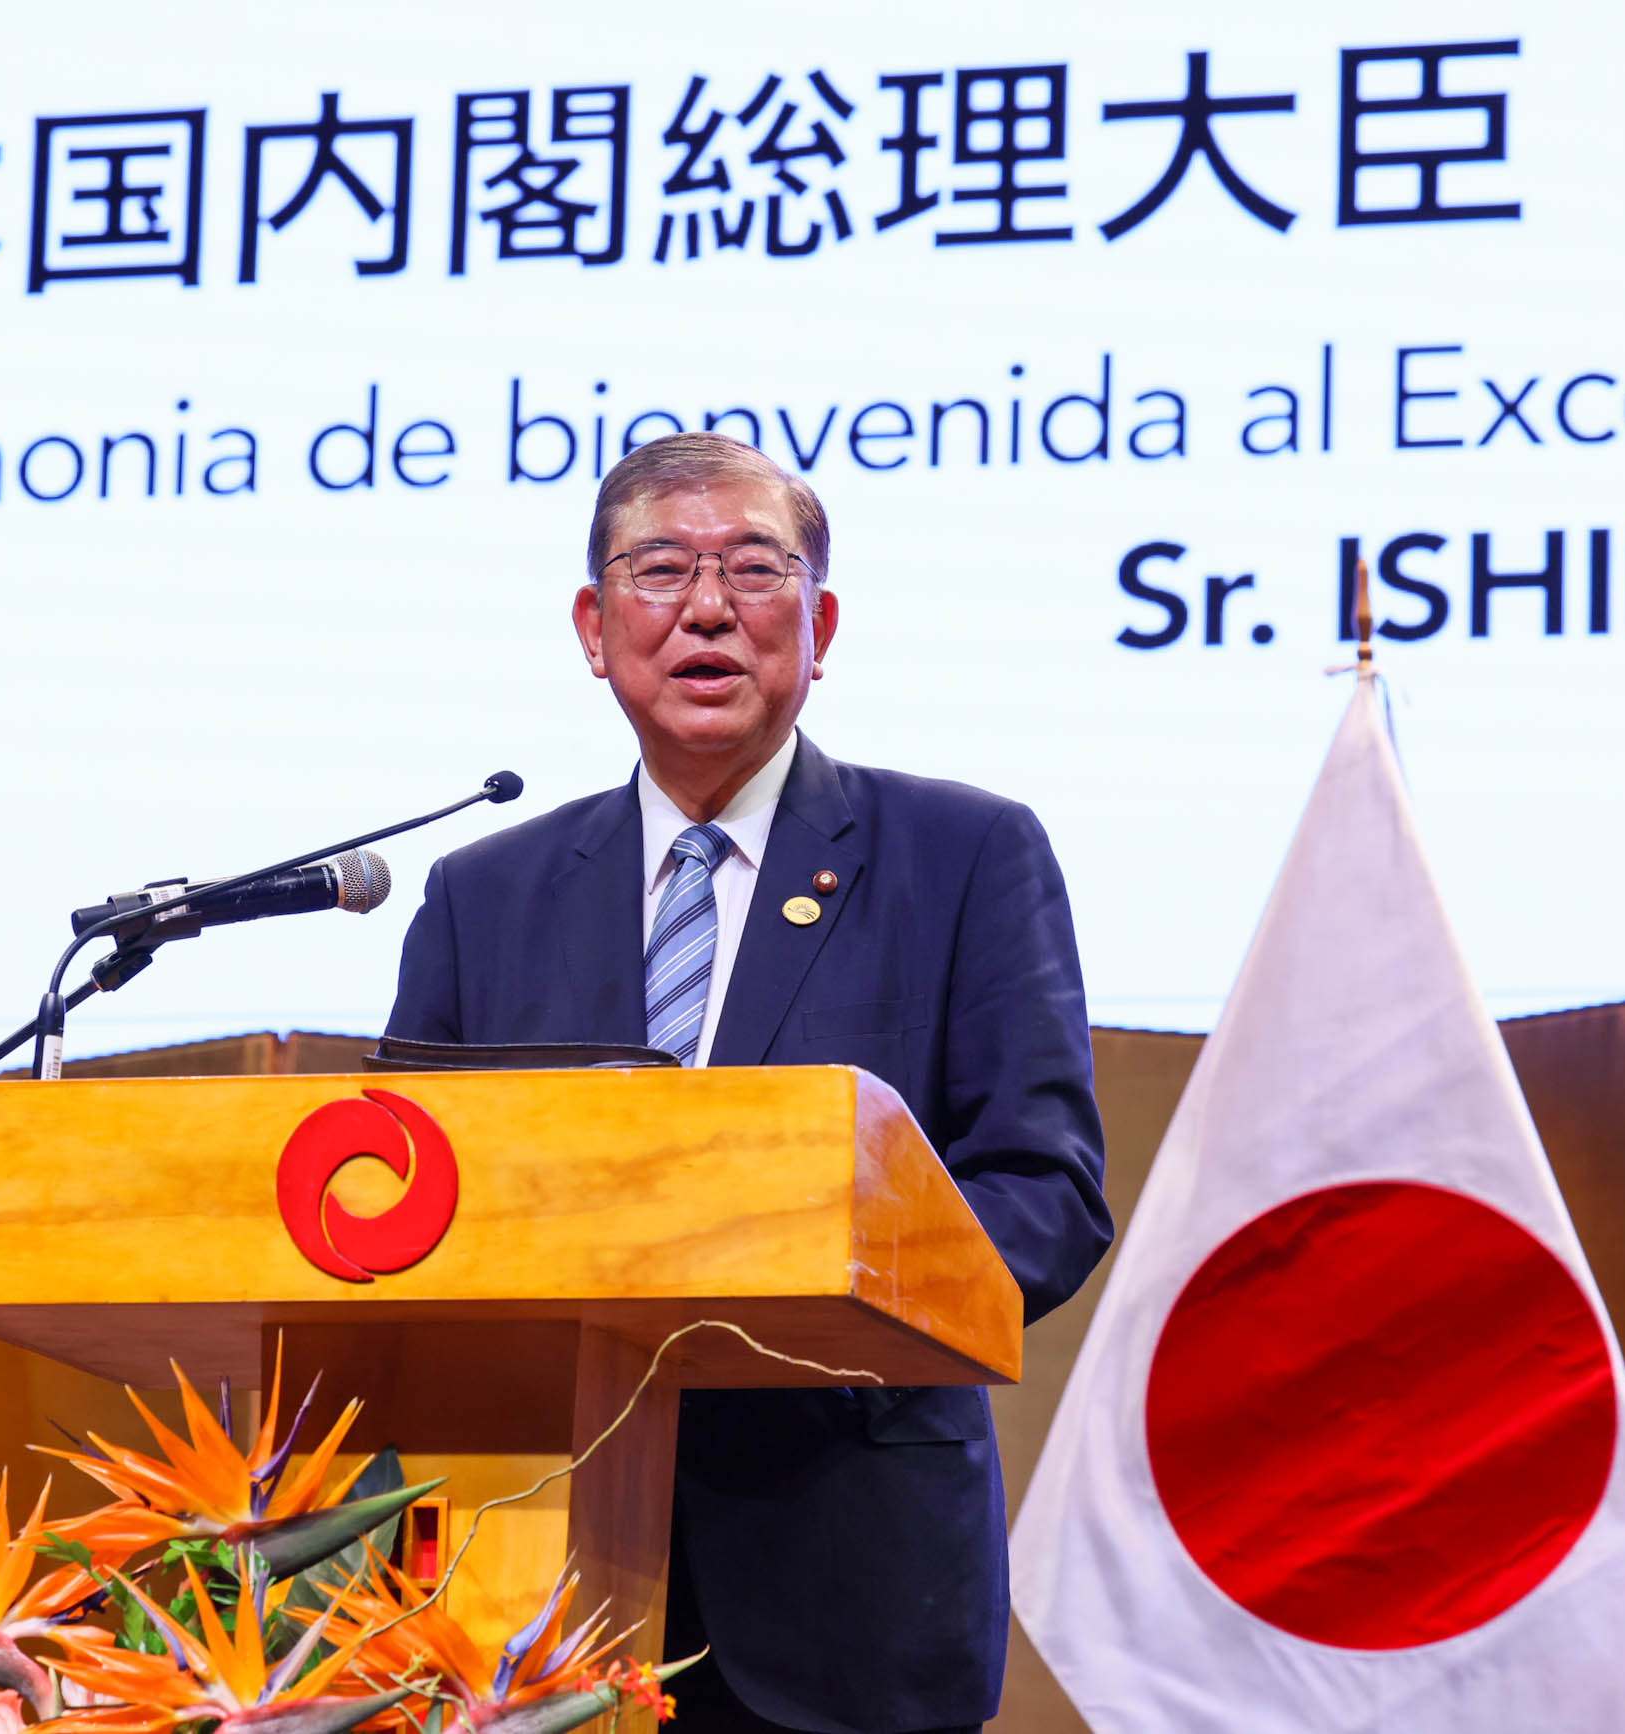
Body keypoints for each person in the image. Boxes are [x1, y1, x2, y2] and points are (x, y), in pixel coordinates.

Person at [384, 433, 1111, 1734]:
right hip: (528, 1595)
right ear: (593, 627)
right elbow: (402, 1210)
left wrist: (822, 1293)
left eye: (753, 570)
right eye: (659, 569)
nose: (707, 607)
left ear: (819, 623)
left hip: (848, 1582)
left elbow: (1041, 1191)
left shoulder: (962, 856)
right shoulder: (478, 899)